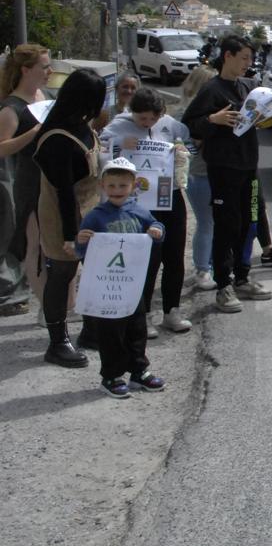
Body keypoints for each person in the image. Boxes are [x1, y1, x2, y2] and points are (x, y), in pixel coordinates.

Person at [181, 35, 272, 311]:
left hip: (249, 164)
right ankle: (223, 286)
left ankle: (242, 278)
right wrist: (213, 119)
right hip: (223, 168)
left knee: (249, 222)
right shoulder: (211, 89)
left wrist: (268, 118)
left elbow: (265, 117)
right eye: (244, 58)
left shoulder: (248, 86)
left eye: (251, 59)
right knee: (226, 226)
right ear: (228, 56)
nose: (248, 64)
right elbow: (190, 124)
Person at [102, 87, 192, 335]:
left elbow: (187, 142)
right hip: (140, 201)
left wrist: (182, 150)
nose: (148, 123)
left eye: (153, 118)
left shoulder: (169, 124)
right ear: (133, 112)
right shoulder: (119, 126)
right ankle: (144, 313)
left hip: (169, 194)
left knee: (174, 254)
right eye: (142, 119)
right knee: (148, 258)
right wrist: (121, 144)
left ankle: (171, 309)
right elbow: (100, 150)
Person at [73, 157, 166, 398]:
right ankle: (111, 376)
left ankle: (139, 371)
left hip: (132, 284)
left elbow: (157, 227)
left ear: (133, 186)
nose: (117, 191)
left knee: (137, 327)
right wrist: (81, 241)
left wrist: (157, 231)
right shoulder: (95, 216)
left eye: (122, 186)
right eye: (112, 186)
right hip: (107, 286)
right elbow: (83, 251)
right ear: (103, 186)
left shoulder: (139, 212)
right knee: (111, 331)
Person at [35, 67, 106, 367]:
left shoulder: (82, 126)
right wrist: (69, 236)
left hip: (88, 213)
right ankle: (57, 342)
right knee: (62, 275)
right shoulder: (57, 139)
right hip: (63, 217)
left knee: (93, 272)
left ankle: (90, 330)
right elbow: (64, 192)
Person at [0, 43, 52, 315]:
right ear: (25, 70)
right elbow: (2, 147)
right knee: (30, 243)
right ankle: (43, 305)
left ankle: (45, 298)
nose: (49, 71)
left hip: (45, 178)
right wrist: (33, 134)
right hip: (22, 181)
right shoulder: (10, 108)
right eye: (44, 67)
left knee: (46, 244)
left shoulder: (41, 95)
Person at [177, 66, 218, 290]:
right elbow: (186, 147)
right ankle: (203, 268)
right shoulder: (190, 115)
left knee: (210, 222)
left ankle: (207, 264)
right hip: (199, 173)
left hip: (205, 172)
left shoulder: (190, 110)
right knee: (207, 222)